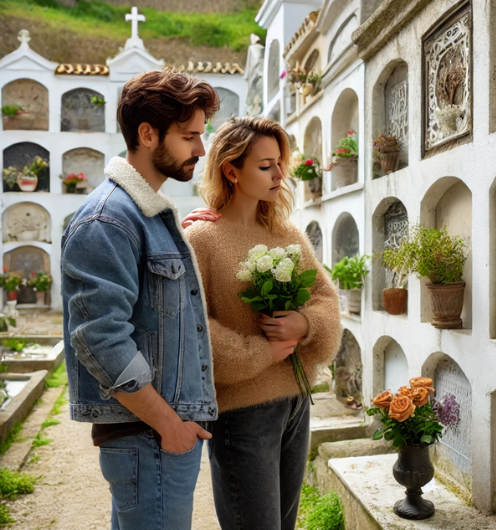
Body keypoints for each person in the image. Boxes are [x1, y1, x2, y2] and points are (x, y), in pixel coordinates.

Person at [61, 69, 220, 530]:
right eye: (189, 136)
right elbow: (99, 338)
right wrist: (169, 425)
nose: (201, 149)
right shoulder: (108, 220)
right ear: (148, 134)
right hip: (150, 433)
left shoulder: (146, 213)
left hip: (157, 432)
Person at [183, 116, 341, 530]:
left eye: (279, 163)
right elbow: (191, 326)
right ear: (231, 171)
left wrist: (304, 325)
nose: (279, 174)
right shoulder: (201, 239)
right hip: (242, 412)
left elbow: (326, 298)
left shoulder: (285, 231)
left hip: (296, 402)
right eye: (265, 165)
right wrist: (262, 351)